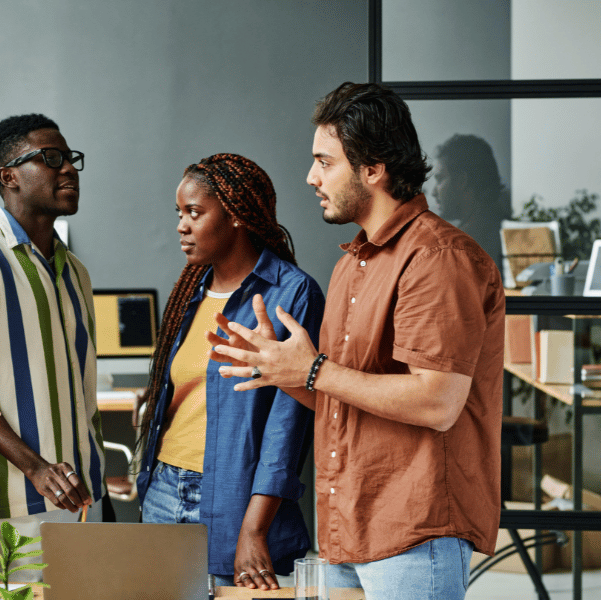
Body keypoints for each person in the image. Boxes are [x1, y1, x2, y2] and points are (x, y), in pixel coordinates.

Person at [210, 83, 505, 600]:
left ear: (373, 169)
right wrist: (280, 369)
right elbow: (343, 395)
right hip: (349, 529)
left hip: (414, 533)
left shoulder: (437, 258)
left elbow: (438, 400)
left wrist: (312, 370)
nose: (311, 177)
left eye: (325, 162)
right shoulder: (352, 264)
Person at [136, 153, 325, 590]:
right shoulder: (190, 291)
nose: (182, 225)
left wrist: (254, 529)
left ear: (237, 214)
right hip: (164, 488)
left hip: (236, 498)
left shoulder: (291, 294)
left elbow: (288, 428)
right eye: (180, 213)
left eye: (195, 213)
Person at [0, 114, 106, 580]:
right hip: (14, 499)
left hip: (83, 495)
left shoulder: (75, 270)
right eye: (50, 159)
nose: (68, 170)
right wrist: (36, 468)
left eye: (70, 159)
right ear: (8, 176)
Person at [431, 133, 512, 268]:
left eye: (440, 179)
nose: (433, 192)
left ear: (462, 180)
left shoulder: (458, 247)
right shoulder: (506, 229)